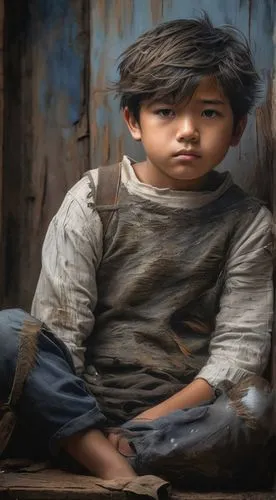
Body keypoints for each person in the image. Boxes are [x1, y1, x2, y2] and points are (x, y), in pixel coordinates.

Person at [0, 15, 274, 489]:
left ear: (237, 128)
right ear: (133, 121)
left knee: (255, 405)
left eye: (209, 112)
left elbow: (237, 355)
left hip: (174, 417)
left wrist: (145, 423)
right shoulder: (94, 198)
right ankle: (103, 457)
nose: (188, 131)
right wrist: (78, 410)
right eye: (166, 112)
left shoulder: (249, 222)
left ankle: (103, 451)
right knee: (7, 330)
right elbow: (62, 328)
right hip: (76, 396)